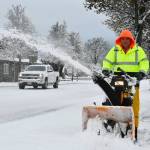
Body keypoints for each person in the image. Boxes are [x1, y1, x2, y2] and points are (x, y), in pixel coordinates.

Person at [102, 29, 149, 141]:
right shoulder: (115, 50)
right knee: (115, 95)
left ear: (131, 40)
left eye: (127, 39)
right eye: (122, 39)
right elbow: (107, 61)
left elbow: (144, 62)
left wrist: (142, 72)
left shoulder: (138, 50)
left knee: (133, 101)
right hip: (118, 76)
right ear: (120, 40)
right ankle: (111, 120)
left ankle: (134, 125)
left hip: (133, 78)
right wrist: (106, 69)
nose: (125, 41)